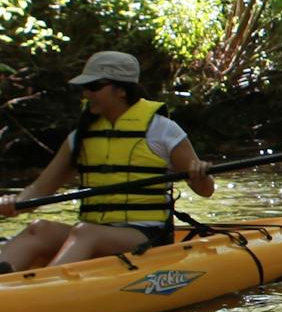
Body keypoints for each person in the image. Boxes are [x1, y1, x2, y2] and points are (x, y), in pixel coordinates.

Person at [0, 50, 214, 273]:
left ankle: (40, 291)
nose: (86, 94)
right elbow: (40, 189)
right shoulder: (81, 135)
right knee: (40, 229)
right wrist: (13, 203)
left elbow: (206, 190)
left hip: (146, 236)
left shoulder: (162, 131)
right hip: (93, 232)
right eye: (84, 88)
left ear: (121, 89)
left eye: (94, 87)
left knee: (85, 232)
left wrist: (200, 175)